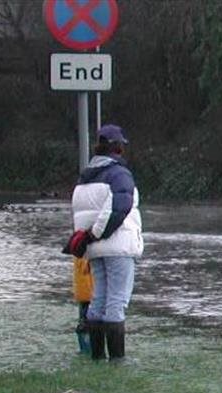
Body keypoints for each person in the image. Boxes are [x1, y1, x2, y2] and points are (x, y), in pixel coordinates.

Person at [70, 124, 143, 361]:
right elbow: (119, 208)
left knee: (98, 298)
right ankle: (117, 359)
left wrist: (89, 238)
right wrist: (96, 233)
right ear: (117, 148)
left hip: (95, 250)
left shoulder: (84, 177)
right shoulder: (119, 174)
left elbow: (81, 213)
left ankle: (97, 356)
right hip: (118, 244)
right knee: (117, 302)